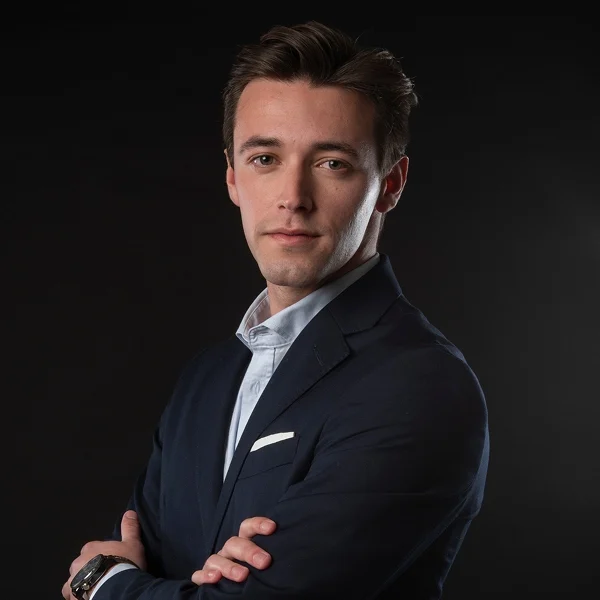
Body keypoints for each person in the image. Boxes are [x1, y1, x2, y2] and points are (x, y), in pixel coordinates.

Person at [62, 20, 489, 600]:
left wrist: (102, 583)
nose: (293, 197)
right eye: (265, 158)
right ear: (233, 177)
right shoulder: (206, 379)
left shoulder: (419, 385)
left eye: (332, 162)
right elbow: (146, 551)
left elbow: (132, 573)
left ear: (390, 183)